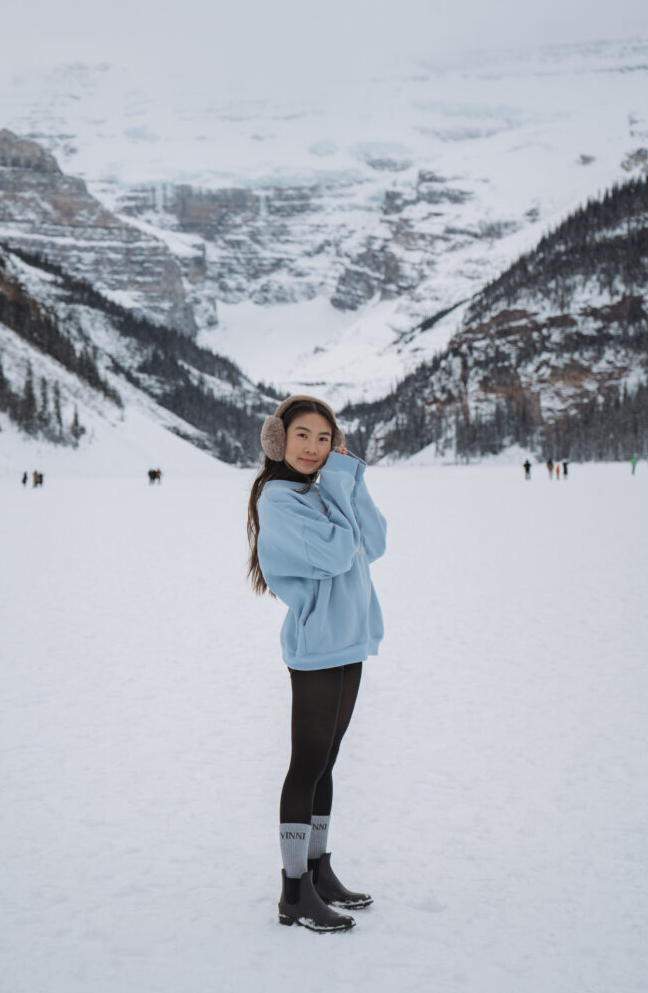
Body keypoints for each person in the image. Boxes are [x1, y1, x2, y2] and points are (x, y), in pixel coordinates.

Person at [247, 395, 387, 933]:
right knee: (306, 764)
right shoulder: (279, 500)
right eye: (302, 435)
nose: (313, 448)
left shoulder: (329, 486)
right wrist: (337, 490)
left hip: (351, 638)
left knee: (326, 763)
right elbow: (333, 555)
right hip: (315, 646)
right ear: (280, 439)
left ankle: (318, 870)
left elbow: (371, 543)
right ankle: (293, 892)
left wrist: (352, 480)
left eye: (324, 439)